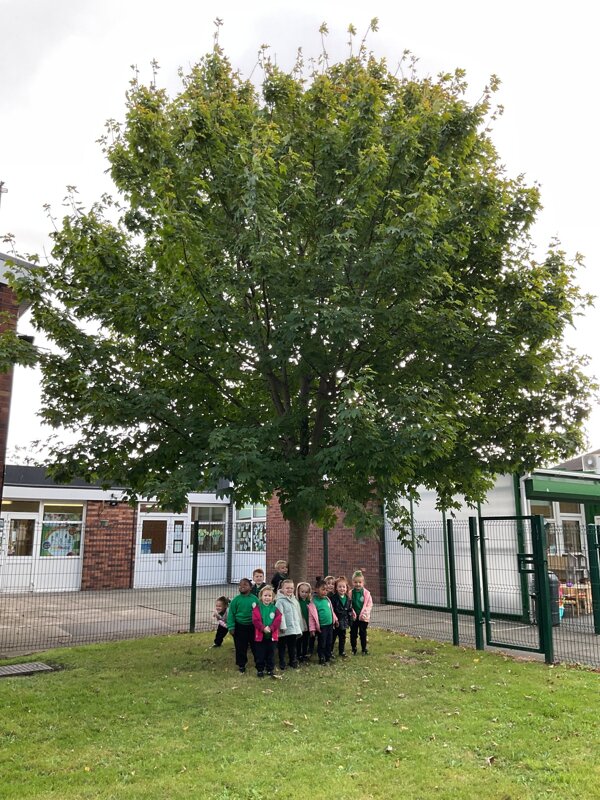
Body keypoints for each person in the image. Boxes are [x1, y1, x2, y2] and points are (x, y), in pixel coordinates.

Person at [227, 578, 258, 673]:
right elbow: (231, 614)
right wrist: (231, 627)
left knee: (256, 646)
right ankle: (241, 665)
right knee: (240, 646)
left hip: (252, 626)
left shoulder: (254, 599)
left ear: (250, 587)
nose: (242, 586)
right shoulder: (236, 600)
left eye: (245, 585)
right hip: (240, 626)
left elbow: (259, 612)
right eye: (240, 585)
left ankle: (259, 662)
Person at [252, 585, 282, 678]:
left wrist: (272, 628)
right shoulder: (257, 608)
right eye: (265, 595)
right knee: (260, 654)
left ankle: (270, 669)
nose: (267, 598)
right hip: (260, 637)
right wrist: (263, 628)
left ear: (272, 598)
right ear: (261, 597)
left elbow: (278, 619)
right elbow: (255, 620)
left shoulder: (275, 609)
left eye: (269, 596)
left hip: (272, 637)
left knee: (271, 654)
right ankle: (260, 670)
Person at [276, 579, 303, 670]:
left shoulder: (294, 600)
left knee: (292, 646)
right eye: (287, 588)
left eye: (291, 588)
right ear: (282, 589)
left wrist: (299, 626)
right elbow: (279, 614)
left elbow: (297, 614)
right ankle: (282, 662)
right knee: (282, 647)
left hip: (293, 628)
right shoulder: (280, 601)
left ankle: (293, 661)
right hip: (284, 629)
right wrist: (282, 626)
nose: (289, 590)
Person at [310, 578, 338, 665]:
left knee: (329, 642)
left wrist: (335, 619)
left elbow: (331, 611)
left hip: (330, 625)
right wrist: (312, 629)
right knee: (322, 642)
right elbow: (311, 617)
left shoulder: (327, 600)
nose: (325, 592)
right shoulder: (313, 602)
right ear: (316, 589)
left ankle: (328, 656)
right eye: (323, 589)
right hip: (322, 626)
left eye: (326, 590)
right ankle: (321, 657)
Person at [350, 569, 373, 655]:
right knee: (353, 633)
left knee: (363, 633)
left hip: (363, 617)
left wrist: (365, 613)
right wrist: (352, 613)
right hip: (354, 617)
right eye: (356, 582)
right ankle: (353, 648)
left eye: (360, 582)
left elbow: (369, 604)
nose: (358, 584)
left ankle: (364, 649)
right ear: (353, 582)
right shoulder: (350, 593)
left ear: (363, 583)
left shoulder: (366, 593)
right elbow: (349, 604)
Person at [330, 577, 352, 657]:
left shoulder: (348, 599)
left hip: (344, 622)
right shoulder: (333, 598)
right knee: (333, 637)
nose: (342, 589)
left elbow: (349, 610)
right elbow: (332, 609)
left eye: (343, 587)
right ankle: (330, 651)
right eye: (339, 587)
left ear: (346, 588)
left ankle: (341, 651)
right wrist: (335, 620)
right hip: (336, 622)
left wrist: (350, 621)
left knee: (342, 637)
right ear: (336, 588)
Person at [295, 581, 314, 663]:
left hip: (308, 625)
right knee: (299, 640)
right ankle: (298, 654)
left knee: (306, 640)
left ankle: (304, 654)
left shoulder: (309, 602)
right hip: (300, 625)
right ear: (298, 592)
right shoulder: (296, 602)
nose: (304, 594)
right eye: (302, 592)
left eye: (306, 592)